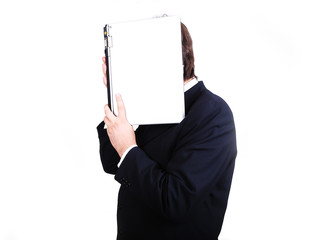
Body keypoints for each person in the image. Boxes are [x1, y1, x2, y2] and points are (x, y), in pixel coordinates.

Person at [97, 22, 237, 240]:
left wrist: (128, 147)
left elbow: (176, 200)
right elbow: (111, 162)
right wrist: (115, 97)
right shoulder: (156, 102)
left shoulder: (213, 114)